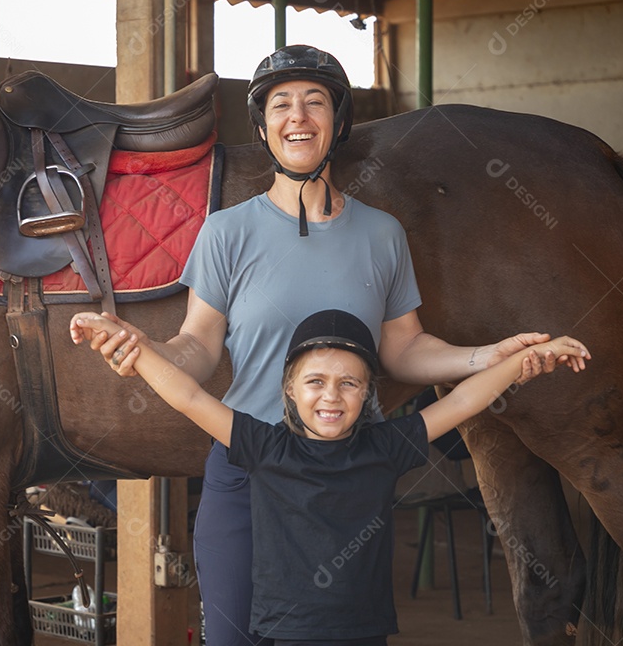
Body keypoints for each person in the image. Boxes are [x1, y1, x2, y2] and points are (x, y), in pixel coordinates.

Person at [69, 44, 588, 645]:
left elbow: (404, 351)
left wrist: (483, 358)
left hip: (347, 481)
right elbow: (199, 348)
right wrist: (147, 350)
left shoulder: (381, 234)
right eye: (281, 104)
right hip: (248, 468)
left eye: (315, 102)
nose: (298, 116)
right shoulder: (226, 232)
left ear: (337, 122)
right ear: (263, 127)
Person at [71, 309, 590, 645]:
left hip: (363, 630)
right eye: (315, 381)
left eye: (349, 383)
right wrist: (130, 347)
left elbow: (464, 398)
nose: (332, 395)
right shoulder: (263, 445)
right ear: (290, 392)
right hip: (284, 629)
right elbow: (188, 396)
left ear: (367, 395)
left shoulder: (385, 447)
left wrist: (523, 362)